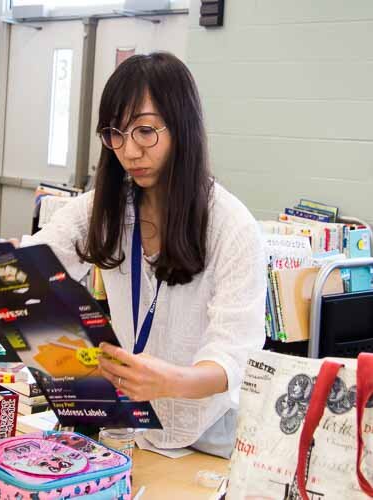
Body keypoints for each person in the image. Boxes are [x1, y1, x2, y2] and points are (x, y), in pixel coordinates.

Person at [22, 52, 265, 457]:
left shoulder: (231, 226)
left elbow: (234, 357)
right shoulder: (105, 208)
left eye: (145, 131)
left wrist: (171, 381)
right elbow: (36, 264)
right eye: (115, 134)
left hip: (208, 433)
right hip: (128, 425)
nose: (129, 151)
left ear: (182, 129)